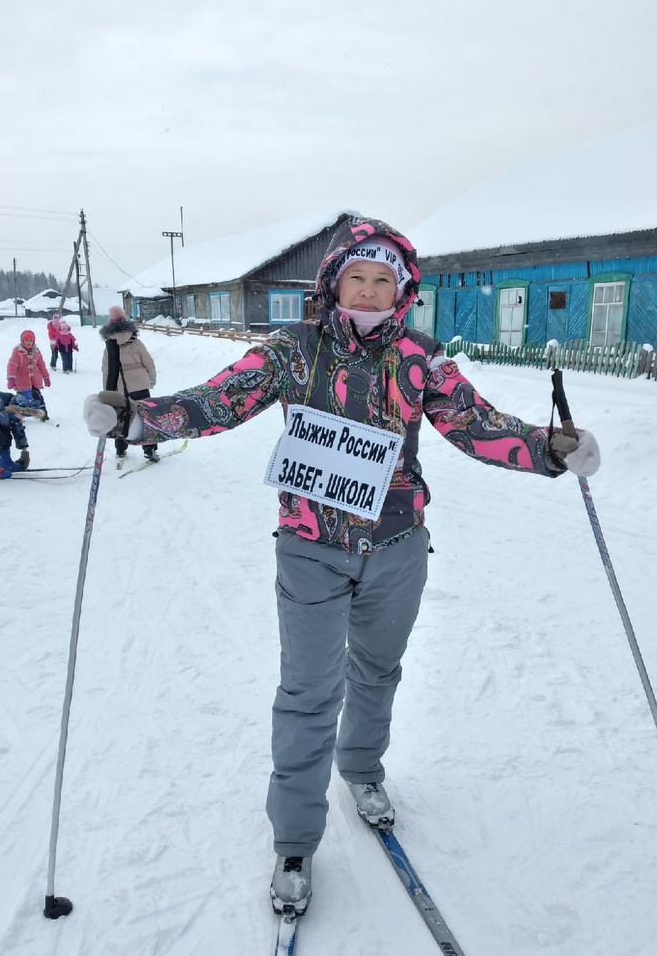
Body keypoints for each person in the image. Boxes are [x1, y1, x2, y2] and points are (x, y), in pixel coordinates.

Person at [84, 216, 601, 917]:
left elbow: (476, 424)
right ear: (333, 283)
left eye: (381, 279)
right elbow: (219, 399)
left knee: (378, 671)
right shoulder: (292, 351)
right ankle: (294, 841)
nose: (367, 288)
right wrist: (142, 420)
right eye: (356, 275)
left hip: (397, 546)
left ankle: (360, 770)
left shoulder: (422, 358)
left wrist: (547, 447)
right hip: (310, 547)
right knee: (307, 692)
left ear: (400, 290)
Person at [99, 306, 159, 463]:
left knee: (122, 418)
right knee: (145, 417)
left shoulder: (109, 347)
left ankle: (120, 450)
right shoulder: (136, 342)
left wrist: (108, 392)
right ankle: (149, 449)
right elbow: (148, 362)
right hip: (141, 386)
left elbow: (106, 371)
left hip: (120, 389)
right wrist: (151, 379)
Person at [6, 329, 51, 419]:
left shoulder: (37, 352)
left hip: (34, 381)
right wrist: (11, 378)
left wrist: (46, 377)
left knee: (38, 397)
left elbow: (41, 365)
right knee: (21, 400)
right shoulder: (17, 352)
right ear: (22, 341)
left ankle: (43, 414)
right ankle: (18, 415)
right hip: (21, 381)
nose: (28, 343)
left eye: (30, 340)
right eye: (26, 340)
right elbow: (12, 365)